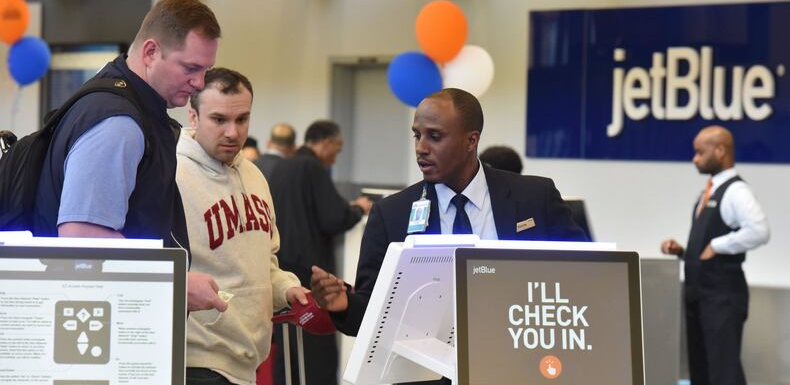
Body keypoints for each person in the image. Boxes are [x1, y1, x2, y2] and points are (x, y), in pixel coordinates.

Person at [311, 88, 584, 384]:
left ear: (471, 140)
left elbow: (583, 276)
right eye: (417, 135)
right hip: (426, 377)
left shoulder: (535, 197)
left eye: (435, 137)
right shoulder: (391, 214)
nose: (421, 148)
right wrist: (344, 303)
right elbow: (373, 313)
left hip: (521, 369)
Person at [33, 0, 226, 313]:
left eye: (206, 70)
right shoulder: (118, 122)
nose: (199, 82)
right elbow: (83, 235)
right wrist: (174, 280)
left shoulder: (115, 101)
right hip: (97, 324)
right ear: (151, 52)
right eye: (190, 67)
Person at [176, 67, 306, 385]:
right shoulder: (170, 174)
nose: (233, 132)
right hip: (195, 362)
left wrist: (287, 288)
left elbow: (265, 262)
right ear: (193, 116)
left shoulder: (254, 175)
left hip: (249, 358)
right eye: (219, 120)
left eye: (242, 119)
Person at [660, 125, 769, 385]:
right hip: (699, 294)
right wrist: (684, 252)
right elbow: (705, 245)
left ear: (720, 151)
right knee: (702, 370)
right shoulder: (707, 191)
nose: (694, 159)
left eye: (699, 152)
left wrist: (718, 245)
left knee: (723, 372)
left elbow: (760, 231)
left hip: (722, 296)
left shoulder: (736, 192)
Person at [268, 120, 372, 385]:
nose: (334, 159)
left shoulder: (282, 167)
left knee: (288, 351)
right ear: (326, 143)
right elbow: (333, 217)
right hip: (310, 273)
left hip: (281, 268)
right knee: (318, 352)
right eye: (335, 151)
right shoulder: (312, 168)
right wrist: (358, 208)